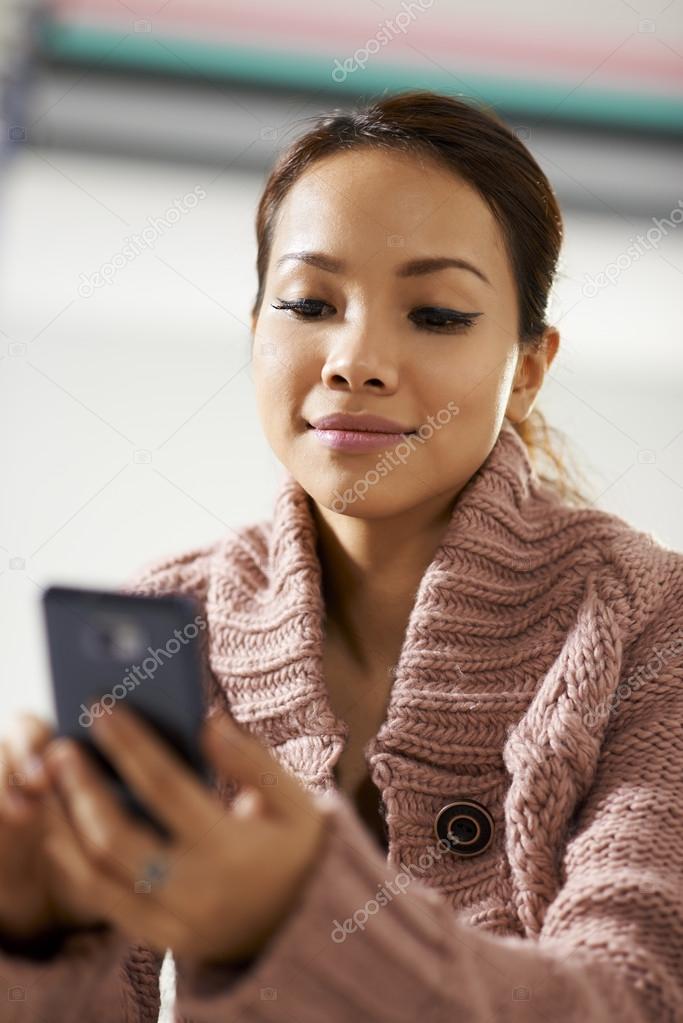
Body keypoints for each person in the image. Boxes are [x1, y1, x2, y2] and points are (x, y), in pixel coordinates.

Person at [1, 89, 682, 1022]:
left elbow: (637, 996)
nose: (354, 359)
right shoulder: (169, 623)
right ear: (255, 334)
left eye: (436, 314)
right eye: (309, 302)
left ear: (525, 367)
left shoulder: (649, 619)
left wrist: (291, 914)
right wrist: (35, 936)